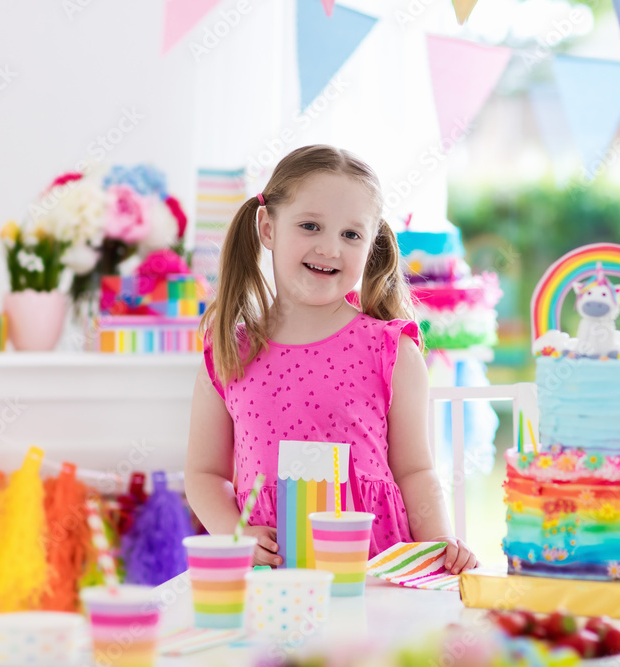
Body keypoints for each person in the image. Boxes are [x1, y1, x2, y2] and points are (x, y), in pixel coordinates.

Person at [185, 145, 478, 574]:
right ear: (268, 228)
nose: (330, 248)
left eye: (350, 235)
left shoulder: (391, 350)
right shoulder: (229, 353)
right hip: (273, 574)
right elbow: (205, 474)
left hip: (374, 566)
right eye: (310, 226)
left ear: (372, 242)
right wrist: (235, 532)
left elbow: (416, 471)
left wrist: (440, 545)